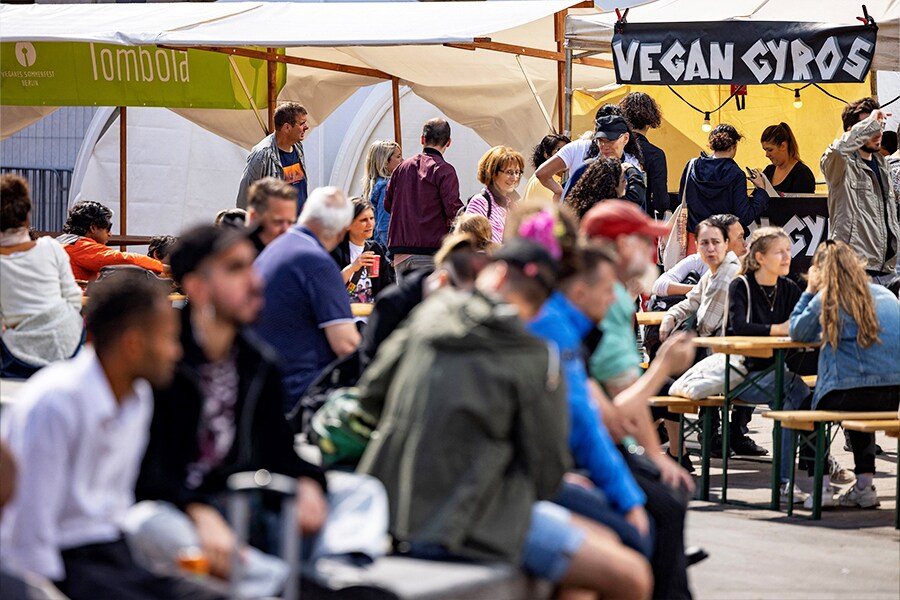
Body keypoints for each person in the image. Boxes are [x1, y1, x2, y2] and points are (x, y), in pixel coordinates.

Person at [357, 239, 653, 600]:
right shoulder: (535, 354)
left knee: (587, 571)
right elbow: (546, 471)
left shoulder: (430, 314)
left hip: (391, 506)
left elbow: (370, 394)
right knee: (632, 574)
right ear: (543, 302)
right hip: (470, 520)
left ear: (496, 273)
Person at [129, 225, 387, 596]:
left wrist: (309, 483)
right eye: (235, 269)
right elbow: (140, 472)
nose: (254, 281)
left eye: (252, 266)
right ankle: (292, 587)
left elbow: (279, 450)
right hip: (181, 515)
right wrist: (195, 509)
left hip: (247, 504)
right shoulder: (162, 359)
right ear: (198, 287)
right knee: (145, 525)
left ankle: (339, 573)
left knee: (359, 491)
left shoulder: (258, 362)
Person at [0, 272, 223, 600]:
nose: (176, 353)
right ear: (133, 344)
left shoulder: (138, 399)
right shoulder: (58, 401)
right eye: (168, 339)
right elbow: (28, 532)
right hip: (61, 564)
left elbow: (115, 507)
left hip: (112, 552)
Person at [790, 240, 900, 508]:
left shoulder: (827, 297)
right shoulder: (887, 295)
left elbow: (797, 332)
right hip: (891, 396)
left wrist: (808, 291)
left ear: (819, 271)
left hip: (848, 392)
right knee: (859, 415)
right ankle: (864, 487)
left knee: (807, 410)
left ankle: (822, 489)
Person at [724, 227, 830, 502]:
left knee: (804, 396)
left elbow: (802, 325)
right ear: (759, 258)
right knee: (795, 393)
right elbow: (739, 328)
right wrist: (778, 329)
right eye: (779, 252)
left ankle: (792, 479)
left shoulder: (788, 287)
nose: (787, 257)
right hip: (741, 374)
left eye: (788, 250)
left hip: (778, 373)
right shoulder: (741, 285)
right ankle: (810, 472)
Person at [253, 186, 359, 411]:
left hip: (267, 383)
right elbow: (347, 344)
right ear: (341, 233)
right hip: (301, 390)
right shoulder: (316, 262)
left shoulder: (276, 248)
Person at [658, 218, 753, 459]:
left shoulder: (728, 272)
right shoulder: (715, 270)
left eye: (715, 243)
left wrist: (678, 330)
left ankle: (673, 452)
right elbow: (691, 301)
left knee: (661, 386)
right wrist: (671, 316)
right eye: (704, 243)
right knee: (661, 384)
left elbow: (706, 325)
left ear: (724, 244)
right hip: (716, 353)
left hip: (728, 358)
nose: (710, 248)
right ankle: (681, 451)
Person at [1, 175, 83, 378]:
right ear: (27, 215)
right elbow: (74, 298)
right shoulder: (51, 247)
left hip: (22, 354)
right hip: (69, 340)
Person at [821, 97, 899, 284]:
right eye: (869, 126)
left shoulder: (884, 165)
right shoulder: (841, 164)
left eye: (879, 125)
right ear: (852, 131)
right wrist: (868, 126)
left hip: (887, 269)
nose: (877, 132)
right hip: (854, 268)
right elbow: (838, 151)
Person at [384, 118, 462, 278]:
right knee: (428, 303)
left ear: (422, 139)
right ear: (449, 142)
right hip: (430, 251)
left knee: (406, 302)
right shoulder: (444, 170)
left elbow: (388, 204)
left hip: (400, 252)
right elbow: (453, 210)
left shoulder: (401, 167)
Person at [678, 124, 769, 237]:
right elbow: (744, 217)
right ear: (734, 145)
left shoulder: (692, 166)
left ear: (712, 145)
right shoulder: (736, 175)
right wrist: (761, 191)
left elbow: (682, 199)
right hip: (724, 242)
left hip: (696, 239)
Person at [56, 200, 164, 281]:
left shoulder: (61, 242)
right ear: (93, 228)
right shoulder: (80, 246)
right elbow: (127, 260)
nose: (110, 234)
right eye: (108, 228)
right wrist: (163, 268)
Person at [651, 214, 747, 298]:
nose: (745, 243)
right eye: (740, 237)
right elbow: (658, 286)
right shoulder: (699, 261)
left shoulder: (750, 266)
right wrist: (700, 289)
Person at [236, 102, 310, 210]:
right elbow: (245, 196)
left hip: (296, 224)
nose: (306, 127)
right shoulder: (262, 154)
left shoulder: (298, 147)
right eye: (302, 123)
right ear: (287, 127)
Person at [564, 115, 646, 210]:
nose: (604, 146)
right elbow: (566, 208)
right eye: (600, 141)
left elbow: (640, 213)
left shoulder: (633, 174)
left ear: (625, 138)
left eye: (610, 141)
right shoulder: (584, 170)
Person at [330, 196, 395, 305]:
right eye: (363, 220)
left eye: (372, 218)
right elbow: (328, 287)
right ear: (347, 224)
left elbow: (386, 286)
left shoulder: (375, 249)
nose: (370, 224)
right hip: (347, 316)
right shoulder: (335, 250)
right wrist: (352, 268)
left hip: (370, 317)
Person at [620, 92, 669, 217]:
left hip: (613, 216)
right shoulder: (655, 154)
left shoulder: (614, 148)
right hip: (641, 220)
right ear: (650, 120)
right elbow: (661, 202)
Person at [464, 145, 525, 244]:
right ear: (492, 172)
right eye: (509, 172)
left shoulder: (512, 205)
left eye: (517, 172)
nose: (514, 178)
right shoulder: (480, 202)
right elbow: (470, 242)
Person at [361, 140, 403, 248]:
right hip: (385, 250)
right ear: (385, 162)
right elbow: (384, 227)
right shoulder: (386, 187)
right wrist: (392, 252)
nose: (402, 160)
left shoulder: (373, 185)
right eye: (398, 157)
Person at [245, 177, 298, 253]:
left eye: (290, 223)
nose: (286, 230)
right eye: (278, 222)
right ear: (253, 217)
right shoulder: (236, 259)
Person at [759, 122, 816, 194]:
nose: (767, 155)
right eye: (765, 150)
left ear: (783, 146)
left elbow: (805, 204)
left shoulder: (802, 173)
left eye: (770, 150)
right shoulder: (769, 171)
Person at [522, 133, 570, 203]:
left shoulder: (551, 180)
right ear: (546, 155)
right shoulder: (544, 182)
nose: (565, 156)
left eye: (568, 152)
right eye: (560, 151)